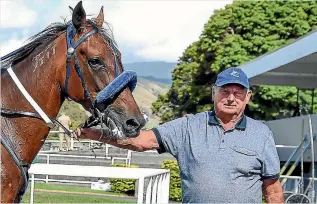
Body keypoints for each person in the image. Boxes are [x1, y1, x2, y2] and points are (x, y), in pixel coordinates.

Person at [76, 67, 284, 203]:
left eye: (238, 93)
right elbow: (141, 141)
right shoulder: (188, 127)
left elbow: (273, 190)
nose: (231, 98)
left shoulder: (261, 134)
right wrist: (95, 134)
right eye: (224, 91)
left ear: (247, 97)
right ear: (214, 93)